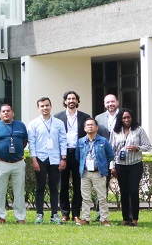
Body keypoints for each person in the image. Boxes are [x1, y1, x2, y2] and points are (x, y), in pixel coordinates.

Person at [27, 97, 67, 224]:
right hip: (40, 158)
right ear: (38, 108)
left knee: (54, 187)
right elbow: (31, 143)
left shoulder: (59, 123)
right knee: (40, 187)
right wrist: (34, 159)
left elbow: (63, 141)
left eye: (47, 105)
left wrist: (63, 158)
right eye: (42, 106)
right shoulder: (33, 124)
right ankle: (39, 214)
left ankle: (54, 214)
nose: (45, 108)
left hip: (55, 158)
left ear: (51, 106)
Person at [0, 103, 28, 224]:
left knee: (19, 191)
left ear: (13, 113)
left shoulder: (20, 125)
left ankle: (20, 217)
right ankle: (1, 216)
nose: (6, 113)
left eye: (8, 111)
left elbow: (24, 141)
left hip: (18, 163)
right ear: (0, 114)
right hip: (1, 163)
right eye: (3, 111)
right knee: (0, 191)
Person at [110, 108, 152, 226]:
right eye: (124, 118)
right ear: (120, 119)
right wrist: (112, 166)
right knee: (124, 191)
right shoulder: (116, 131)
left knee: (133, 190)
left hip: (135, 165)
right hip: (120, 165)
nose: (126, 119)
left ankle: (134, 219)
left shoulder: (139, 130)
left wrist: (137, 148)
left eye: (128, 117)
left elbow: (148, 146)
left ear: (132, 118)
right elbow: (111, 150)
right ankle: (125, 218)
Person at [54, 90, 90, 224]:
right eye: (68, 99)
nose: (71, 101)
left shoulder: (85, 117)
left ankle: (76, 213)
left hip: (78, 153)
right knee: (62, 185)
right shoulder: (57, 117)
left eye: (73, 99)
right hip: (63, 154)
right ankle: (65, 213)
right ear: (65, 101)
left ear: (77, 101)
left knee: (77, 185)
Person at [77, 118, 115, 226]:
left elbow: (110, 155)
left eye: (92, 125)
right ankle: (85, 218)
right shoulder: (80, 142)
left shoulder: (103, 141)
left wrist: (102, 164)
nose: (90, 127)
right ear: (84, 128)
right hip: (85, 173)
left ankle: (104, 219)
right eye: (87, 125)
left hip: (99, 172)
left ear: (97, 127)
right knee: (85, 197)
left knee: (102, 197)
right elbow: (77, 156)